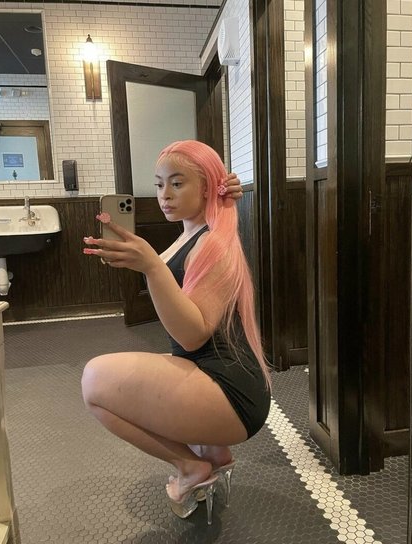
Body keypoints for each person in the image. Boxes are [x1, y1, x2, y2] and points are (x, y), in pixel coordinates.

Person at [81, 140, 272, 525]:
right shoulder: (191, 234)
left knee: (94, 382)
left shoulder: (213, 243)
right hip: (217, 377)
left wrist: (152, 267)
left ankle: (190, 467)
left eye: (177, 183)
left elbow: (192, 336)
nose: (164, 195)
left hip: (231, 392)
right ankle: (213, 455)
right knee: (108, 379)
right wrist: (148, 263)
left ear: (207, 188)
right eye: (158, 184)